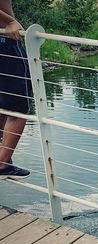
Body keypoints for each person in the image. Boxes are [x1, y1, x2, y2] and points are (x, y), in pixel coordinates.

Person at [0, 0, 31, 179]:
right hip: (5, 40)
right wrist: (9, 22)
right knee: (19, 106)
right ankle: (2, 164)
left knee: (3, 103)